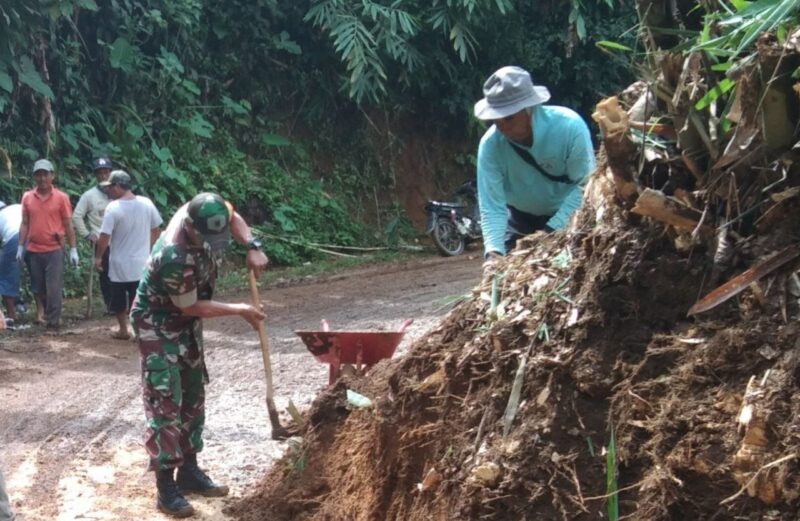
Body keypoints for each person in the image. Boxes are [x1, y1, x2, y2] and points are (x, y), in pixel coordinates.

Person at [130, 192, 267, 518]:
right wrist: (239, 309)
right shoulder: (174, 254)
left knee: (193, 393)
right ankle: (166, 487)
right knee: (166, 400)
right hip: (158, 323)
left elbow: (233, 217)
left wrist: (252, 246)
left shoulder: (209, 209)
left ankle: (189, 470)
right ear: (191, 227)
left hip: (186, 322)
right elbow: (189, 305)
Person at [473, 66, 595, 270]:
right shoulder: (490, 146)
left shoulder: (569, 127)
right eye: (496, 118)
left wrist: (549, 232)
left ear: (529, 108)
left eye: (509, 117)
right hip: (520, 220)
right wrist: (493, 254)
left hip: (571, 215)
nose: (502, 126)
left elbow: (585, 186)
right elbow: (492, 205)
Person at [94, 171, 162, 340]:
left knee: (118, 300)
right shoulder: (146, 203)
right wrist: (151, 247)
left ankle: (123, 329)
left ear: (117, 186)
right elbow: (156, 228)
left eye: (110, 187)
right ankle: (140, 331)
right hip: (141, 262)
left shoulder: (113, 208)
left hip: (119, 264)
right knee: (139, 298)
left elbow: (104, 236)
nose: (108, 191)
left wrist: (98, 256)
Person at [17, 159, 79, 329]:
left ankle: (54, 322)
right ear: (34, 177)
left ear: (52, 175)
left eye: (45, 174)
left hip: (54, 249)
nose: (42, 178)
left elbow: (67, 224)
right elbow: (25, 223)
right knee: (39, 287)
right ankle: (47, 315)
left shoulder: (61, 198)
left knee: (54, 287)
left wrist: (73, 249)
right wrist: (20, 246)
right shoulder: (28, 197)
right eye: (39, 174)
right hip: (34, 249)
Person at [73, 157, 114, 314]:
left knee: (123, 273)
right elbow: (77, 216)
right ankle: (111, 306)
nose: (103, 176)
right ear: (96, 175)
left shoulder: (118, 192)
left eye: (106, 172)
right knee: (106, 275)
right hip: (101, 241)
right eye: (100, 173)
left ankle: (125, 305)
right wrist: (87, 234)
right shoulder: (89, 196)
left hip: (121, 240)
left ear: (111, 173)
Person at [0, 202, 22, 323]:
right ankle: (44, 312)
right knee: (38, 273)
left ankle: (11, 315)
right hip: (35, 236)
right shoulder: (18, 206)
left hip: (14, 238)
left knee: (5, 277)